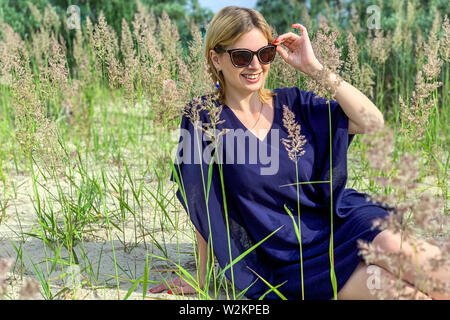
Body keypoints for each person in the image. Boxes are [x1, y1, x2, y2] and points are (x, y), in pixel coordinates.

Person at [149, 6, 449, 300]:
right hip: (289, 260)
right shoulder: (204, 116)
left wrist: (314, 68)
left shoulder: (294, 103)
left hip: (343, 221)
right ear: (216, 58)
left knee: (436, 274)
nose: (255, 66)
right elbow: (202, 199)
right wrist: (200, 275)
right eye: (242, 57)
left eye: (264, 54)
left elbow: (371, 121)